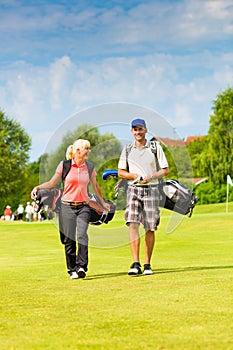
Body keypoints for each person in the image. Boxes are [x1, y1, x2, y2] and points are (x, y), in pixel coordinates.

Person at [31, 139, 110, 280]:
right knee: (69, 239)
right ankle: (72, 269)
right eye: (87, 148)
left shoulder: (90, 167)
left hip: (84, 206)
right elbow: (51, 183)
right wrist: (38, 188)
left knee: (82, 235)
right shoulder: (64, 165)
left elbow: (96, 186)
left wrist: (102, 202)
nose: (89, 151)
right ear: (78, 151)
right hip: (67, 206)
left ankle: (81, 267)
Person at [118, 118, 169, 276]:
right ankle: (135, 263)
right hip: (133, 189)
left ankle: (147, 264)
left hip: (152, 189)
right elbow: (121, 172)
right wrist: (132, 175)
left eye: (140, 129)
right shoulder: (127, 149)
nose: (137, 132)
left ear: (145, 130)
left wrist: (151, 175)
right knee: (132, 224)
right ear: (132, 131)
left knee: (150, 226)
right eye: (135, 129)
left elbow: (165, 170)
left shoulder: (155, 147)